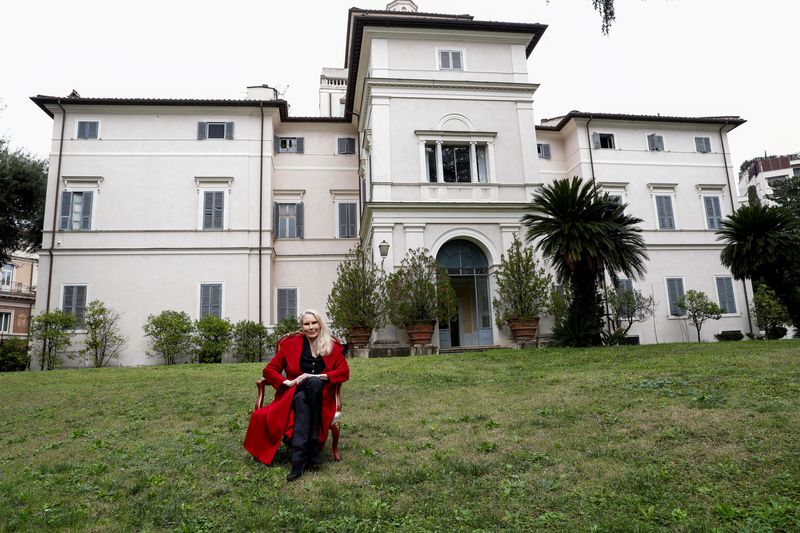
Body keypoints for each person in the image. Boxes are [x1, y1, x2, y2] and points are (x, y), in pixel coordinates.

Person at [243, 309, 350, 481]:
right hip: (292, 392)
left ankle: (298, 460)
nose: (311, 327)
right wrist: (287, 382)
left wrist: (314, 376)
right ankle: (313, 448)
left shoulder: (332, 346)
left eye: (314, 323)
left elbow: (344, 372)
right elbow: (269, 370)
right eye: (306, 324)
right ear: (302, 327)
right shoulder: (290, 345)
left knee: (307, 392)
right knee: (301, 393)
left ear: (320, 324)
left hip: (322, 397)